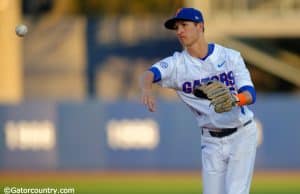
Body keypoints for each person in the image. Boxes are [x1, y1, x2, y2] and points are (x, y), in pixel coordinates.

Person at [140, 7, 258, 194]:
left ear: (200, 26)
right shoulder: (177, 65)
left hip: (241, 134)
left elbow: (250, 95)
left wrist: (235, 99)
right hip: (210, 141)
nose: (179, 31)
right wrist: (146, 90)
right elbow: (149, 74)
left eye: (184, 25)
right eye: (176, 27)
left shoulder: (230, 57)